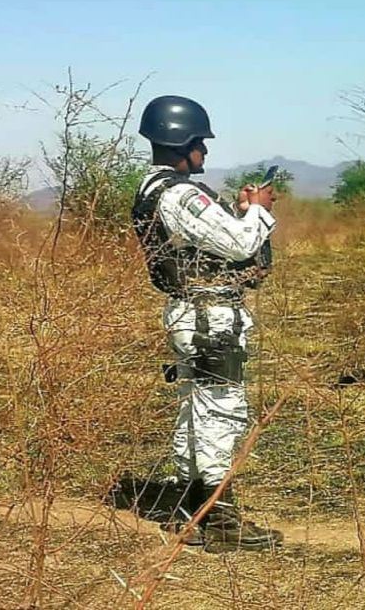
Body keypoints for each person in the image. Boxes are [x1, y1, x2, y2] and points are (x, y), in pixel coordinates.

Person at [114, 95, 282, 552]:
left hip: (192, 311)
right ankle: (221, 522)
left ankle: (191, 514)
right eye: (199, 144)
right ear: (181, 142)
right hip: (210, 317)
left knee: (197, 413)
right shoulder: (180, 193)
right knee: (221, 413)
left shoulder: (152, 188)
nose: (204, 153)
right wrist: (258, 209)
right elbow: (239, 244)